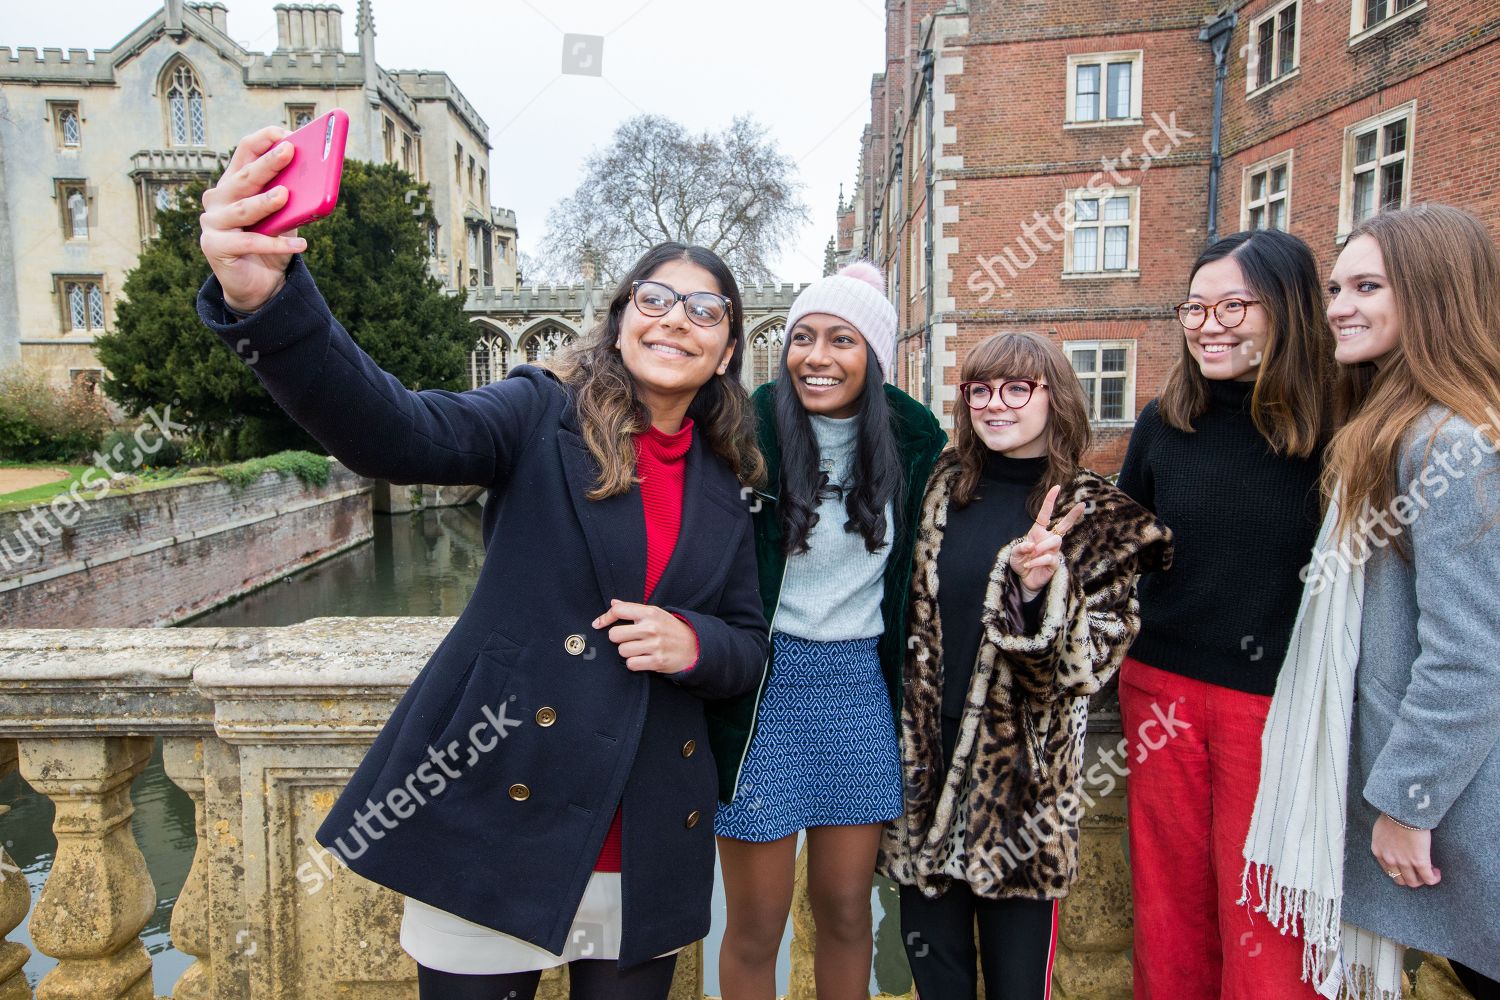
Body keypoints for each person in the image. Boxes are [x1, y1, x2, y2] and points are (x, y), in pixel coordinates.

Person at [195, 125, 770, 1000]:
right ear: (619, 325)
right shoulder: (539, 414)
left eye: (705, 310)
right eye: (654, 299)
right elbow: (397, 431)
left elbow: (745, 647)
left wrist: (693, 644)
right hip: (501, 810)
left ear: (727, 350)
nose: (676, 320)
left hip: (643, 829)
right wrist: (267, 301)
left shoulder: (729, 484)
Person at [1244, 203, 1500, 1000]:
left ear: (1433, 296)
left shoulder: (1451, 443)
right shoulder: (1396, 425)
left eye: (1366, 287)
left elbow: (1470, 652)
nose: (1337, 308)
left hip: (1458, 801)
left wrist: (1406, 803)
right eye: (1334, 288)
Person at [879, 331, 1170, 1000]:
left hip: (1019, 798)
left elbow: (1083, 670)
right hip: (922, 778)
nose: (995, 404)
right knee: (937, 982)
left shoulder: (1095, 518)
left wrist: (1034, 596)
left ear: (1055, 398)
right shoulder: (937, 489)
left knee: (1018, 988)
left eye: (1016, 388)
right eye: (980, 389)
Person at [707, 262, 946, 1000]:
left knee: (846, 911)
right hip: (762, 694)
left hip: (856, 696)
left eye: (841, 339)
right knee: (756, 923)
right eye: (803, 337)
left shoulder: (911, 446)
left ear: (872, 355)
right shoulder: (745, 433)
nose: (817, 356)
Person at [1115, 228, 1335, 1000]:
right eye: (1195, 307)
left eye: (1233, 305)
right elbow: (1123, 552)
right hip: (1160, 691)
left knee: (1268, 915)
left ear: (1286, 308)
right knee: (1169, 907)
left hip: (1274, 704)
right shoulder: (1161, 423)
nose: (1209, 324)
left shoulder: (1337, 429)